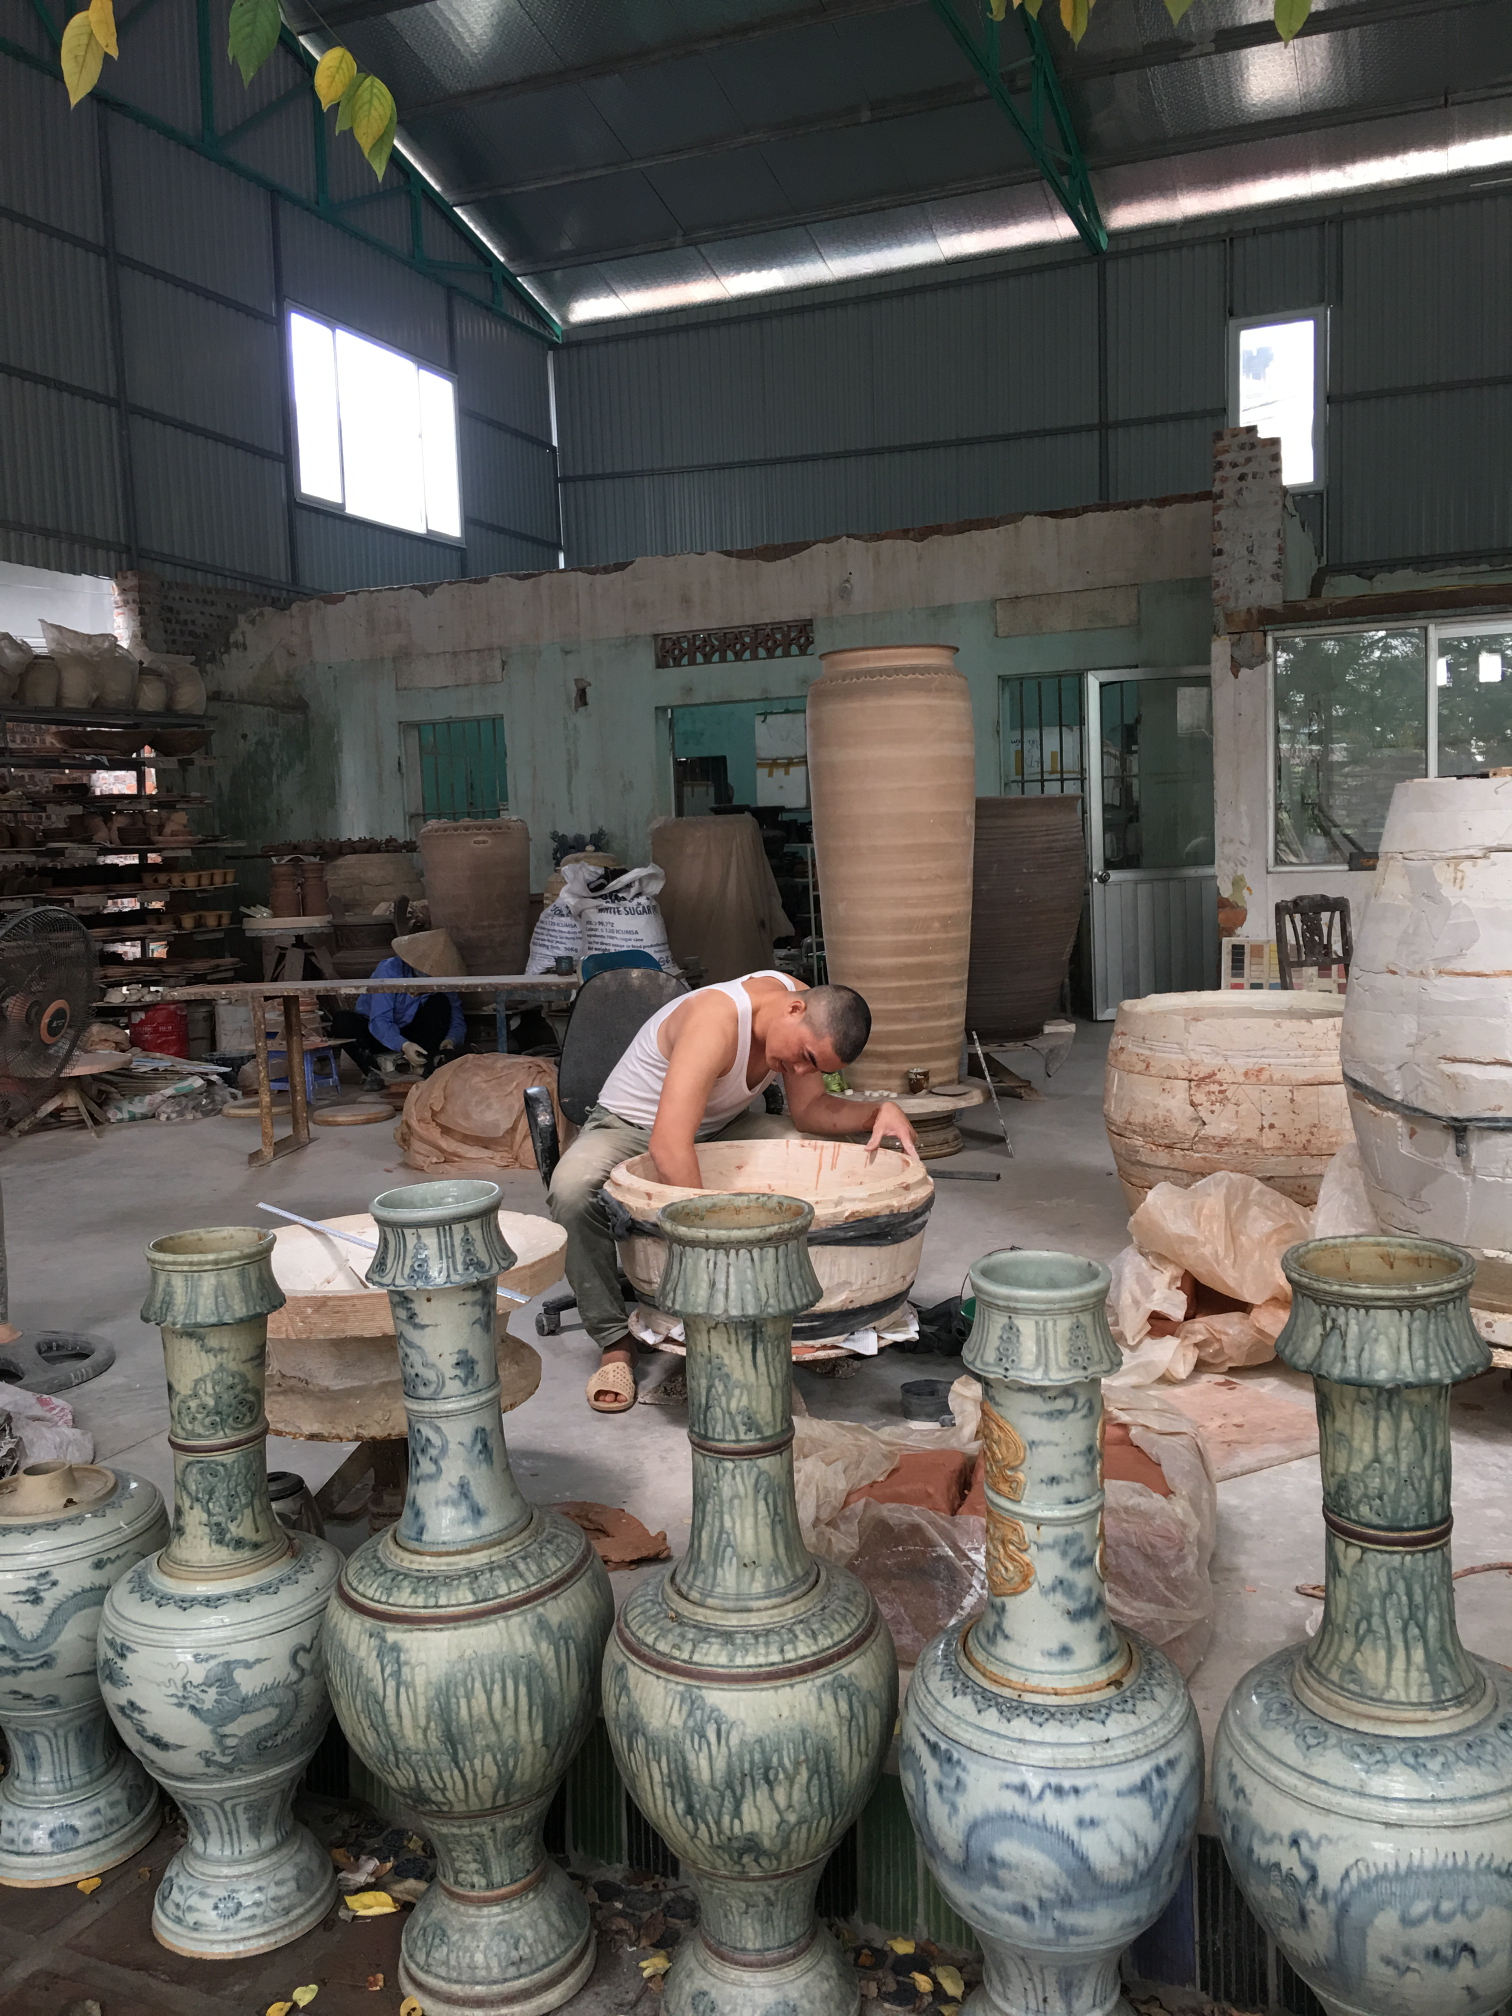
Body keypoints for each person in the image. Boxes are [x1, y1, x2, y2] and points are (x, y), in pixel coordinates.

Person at [547, 970, 920, 1414]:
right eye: (804, 1057)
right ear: (794, 1010)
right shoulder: (717, 1020)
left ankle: (802, 1322)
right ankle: (615, 1343)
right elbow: (669, 1146)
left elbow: (809, 1110)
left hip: (719, 1127)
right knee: (572, 1188)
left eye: (815, 1067)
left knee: (820, 1157)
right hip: (632, 1128)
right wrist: (716, 1238)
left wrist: (878, 1112)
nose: (801, 1071)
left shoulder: (806, 1006)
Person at [329, 928, 466, 1087]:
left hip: (412, 1030)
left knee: (440, 1002)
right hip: (376, 1032)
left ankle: (426, 1065)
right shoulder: (389, 970)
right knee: (342, 1021)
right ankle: (372, 1072)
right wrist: (403, 1045)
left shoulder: (443, 976)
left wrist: (450, 1040)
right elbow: (380, 1019)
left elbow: (456, 1016)